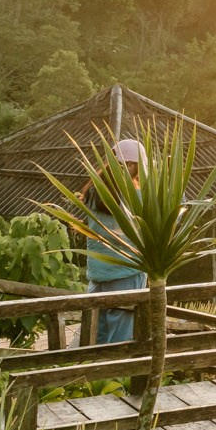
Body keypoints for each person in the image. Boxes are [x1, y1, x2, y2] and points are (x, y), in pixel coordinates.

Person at [83, 138, 145, 345]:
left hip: (98, 275)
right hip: (126, 274)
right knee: (120, 340)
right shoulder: (135, 197)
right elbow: (173, 211)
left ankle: (96, 368)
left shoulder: (94, 192)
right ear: (131, 165)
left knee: (98, 338)